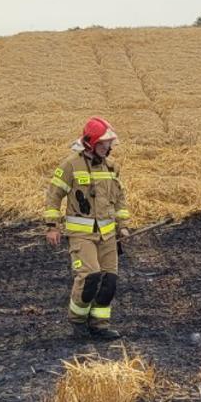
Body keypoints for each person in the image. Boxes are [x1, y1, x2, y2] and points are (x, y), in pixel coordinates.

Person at [45, 117, 130, 339]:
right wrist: (52, 226)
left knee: (109, 281)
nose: (108, 147)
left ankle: (99, 324)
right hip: (81, 235)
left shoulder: (112, 168)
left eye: (110, 143)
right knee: (90, 275)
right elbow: (54, 196)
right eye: (104, 143)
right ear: (91, 143)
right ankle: (77, 322)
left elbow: (120, 200)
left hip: (108, 235)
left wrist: (123, 227)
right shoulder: (70, 165)